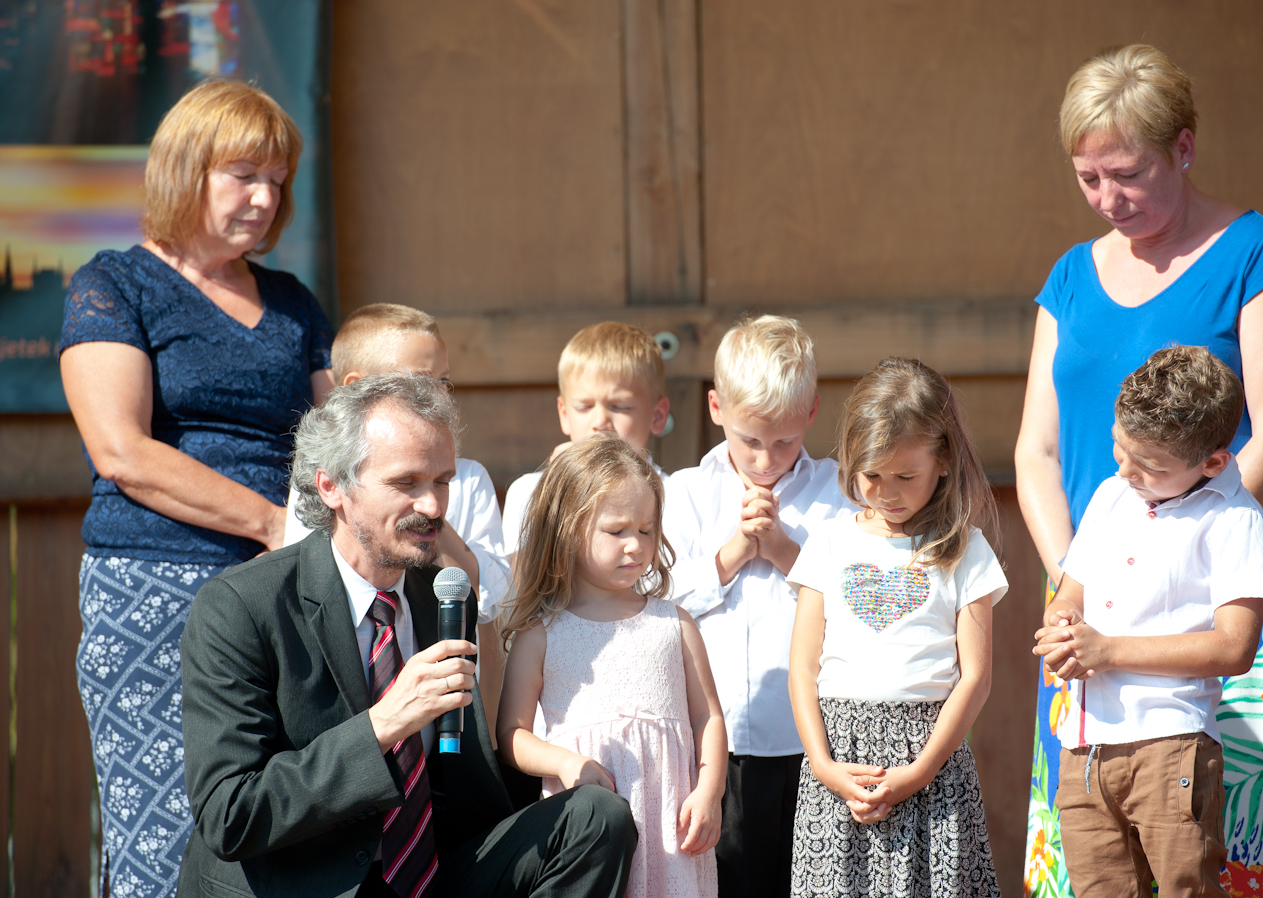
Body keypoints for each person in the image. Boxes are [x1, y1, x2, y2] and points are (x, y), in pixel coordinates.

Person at [1015, 45, 1263, 898]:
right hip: (1091, 594)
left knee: (1229, 844)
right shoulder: (1070, 276)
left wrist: (1174, 560)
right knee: (1096, 844)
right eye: (1088, 178)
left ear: (1183, 148)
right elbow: (1037, 451)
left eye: (1128, 174)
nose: (1108, 198)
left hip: (1225, 585)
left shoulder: (1256, 252)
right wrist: (1077, 580)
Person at [178, 374, 637, 898]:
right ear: (332, 487)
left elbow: (467, 784)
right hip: (303, 881)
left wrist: (567, 762)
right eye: (406, 483)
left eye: (442, 481)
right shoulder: (240, 606)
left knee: (595, 816)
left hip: (427, 871)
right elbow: (230, 814)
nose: (434, 506)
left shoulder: (443, 597)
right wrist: (382, 725)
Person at [58, 79, 334, 898]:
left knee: (279, 825)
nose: (265, 198)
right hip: (154, 589)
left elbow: (339, 442)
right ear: (186, 169)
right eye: (244, 175)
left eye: (277, 180)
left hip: (280, 593)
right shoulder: (115, 284)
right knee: (164, 834)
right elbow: (121, 452)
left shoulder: (292, 303)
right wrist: (273, 524)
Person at [1032, 346, 1263, 897]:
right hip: (1085, 748)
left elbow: (1235, 647)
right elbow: (1070, 593)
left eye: (1150, 465)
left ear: (1213, 463)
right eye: (1120, 447)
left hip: (1172, 745)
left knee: (1186, 887)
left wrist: (1108, 651)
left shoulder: (1235, 521)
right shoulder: (1111, 496)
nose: (1125, 470)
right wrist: (1062, 624)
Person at [786, 358, 1004, 898]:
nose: (886, 492)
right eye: (871, 476)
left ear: (943, 460)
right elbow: (802, 669)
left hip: (930, 765)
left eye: (905, 477)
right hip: (840, 764)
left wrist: (920, 772)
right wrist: (824, 767)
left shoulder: (966, 550)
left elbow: (976, 677)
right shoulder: (829, 543)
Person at [663, 314, 855, 898]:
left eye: (784, 442)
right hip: (713, 742)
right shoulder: (685, 494)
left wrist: (784, 552)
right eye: (749, 440)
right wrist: (732, 555)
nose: (767, 460)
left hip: (809, 740)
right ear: (716, 408)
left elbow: (856, 598)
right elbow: (655, 598)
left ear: (812, 413)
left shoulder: (836, 494)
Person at [496, 435, 726, 898]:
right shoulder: (541, 633)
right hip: (591, 834)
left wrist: (710, 791)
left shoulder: (674, 622)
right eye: (617, 530)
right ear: (567, 529)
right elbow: (511, 734)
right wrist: (565, 762)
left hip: (673, 832)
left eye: (646, 530)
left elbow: (709, 717)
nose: (636, 545)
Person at [283, 302, 513, 736]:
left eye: (445, 381)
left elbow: (490, 597)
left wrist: (427, 509)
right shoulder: (325, 475)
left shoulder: (468, 479)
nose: (440, 397)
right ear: (356, 388)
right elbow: (302, 578)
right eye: (420, 382)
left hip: (447, 713)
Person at [501, 321, 671, 555]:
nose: (600, 421)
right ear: (564, 414)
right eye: (584, 407)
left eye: (620, 406)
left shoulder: (674, 496)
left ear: (657, 415)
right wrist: (558, 492)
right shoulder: (529, 492)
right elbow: (520, 574)